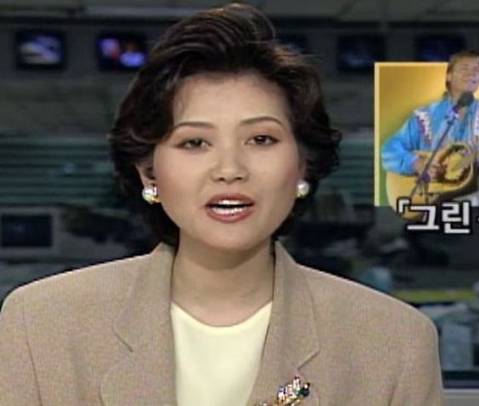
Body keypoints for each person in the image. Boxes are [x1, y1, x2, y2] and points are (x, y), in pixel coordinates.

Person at [0, 4, 442, 405]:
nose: (229, 169)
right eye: (194, 142)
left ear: (302, 165)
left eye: (261, 139)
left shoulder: (394, 343)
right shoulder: (42, 325)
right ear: (149, 173)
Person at [381, 50, 479, 204]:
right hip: (435, 206)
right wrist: (416, 163)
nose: (471, 73)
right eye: (465, 68)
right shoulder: (425, 116)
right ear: (448, 76)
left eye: (476, 70)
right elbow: (389, 150)